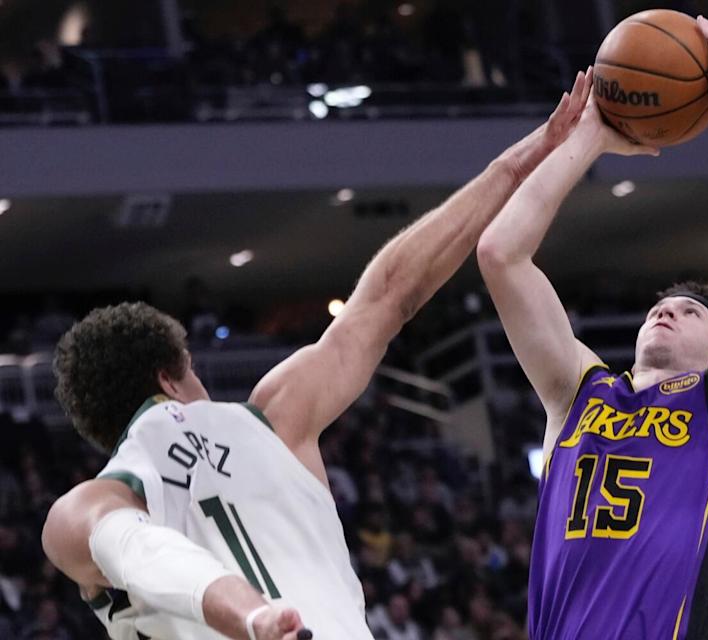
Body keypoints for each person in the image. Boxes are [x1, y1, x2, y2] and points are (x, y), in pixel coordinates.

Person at [40, 70, 597, 640]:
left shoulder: (85, 505)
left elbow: (136, 549)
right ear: (172, 373)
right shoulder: (276, 418)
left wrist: (252, 618)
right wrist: (522, 159)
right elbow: (390, 293)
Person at [477, 16, 708, 640]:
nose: (664, 310)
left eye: (690, 311)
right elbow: (499, 253)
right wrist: (589, 136)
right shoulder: (577, 393)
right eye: (659, 307)